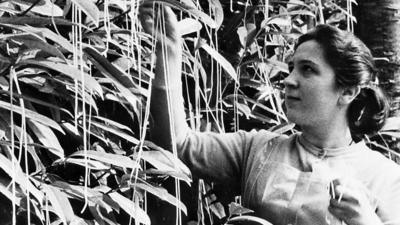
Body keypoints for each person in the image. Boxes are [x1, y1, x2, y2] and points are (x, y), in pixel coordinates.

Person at [140, 4, 400, 225]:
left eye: (307, 70)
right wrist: (169, 53)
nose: (288, 80)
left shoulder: (385, 177)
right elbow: (176, 144)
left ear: (347, 92)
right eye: (290, 68)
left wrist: (367, 220)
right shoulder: (257, 148)